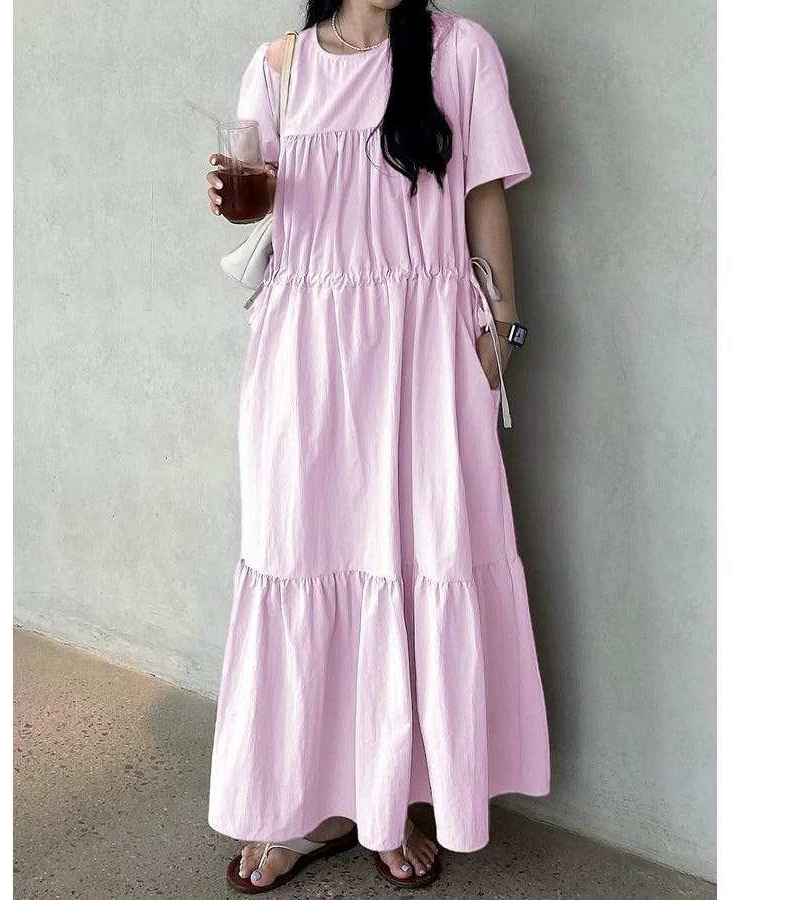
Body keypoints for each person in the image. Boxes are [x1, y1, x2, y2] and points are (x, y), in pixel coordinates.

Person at [205, 1, 550, 892]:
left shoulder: (460, 51)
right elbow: (257, 202)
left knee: (419, 558)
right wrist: (230, 199)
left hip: (429, 345)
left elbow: (483, 192)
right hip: (305, 352)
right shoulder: (278, 66)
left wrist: (503, 329)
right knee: (302, 557)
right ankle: (305, 810)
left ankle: (389, 802)